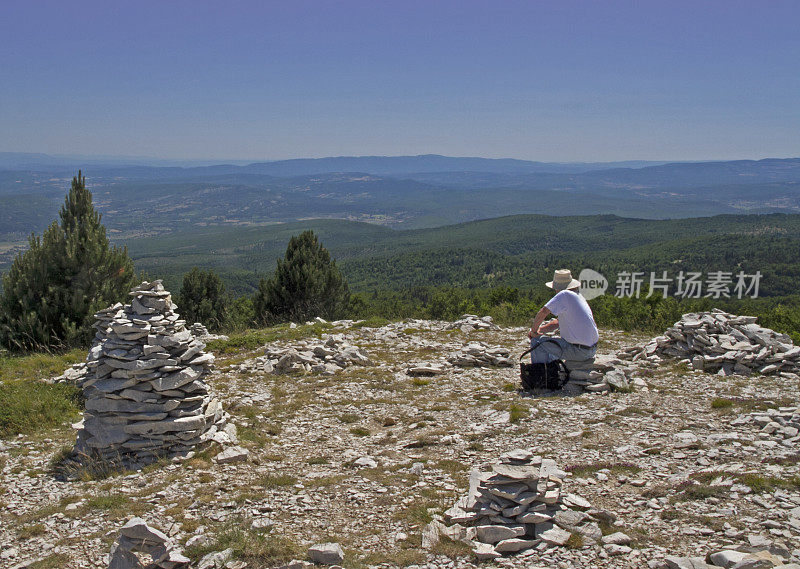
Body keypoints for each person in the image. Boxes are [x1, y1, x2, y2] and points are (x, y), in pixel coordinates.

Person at [527, 269, 599, 366]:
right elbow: (557, 322)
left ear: (558, 287)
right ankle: (552, 369)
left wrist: (533, 332)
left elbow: (543, 312)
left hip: (578, 351)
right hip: (591, 350)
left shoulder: (564, 294)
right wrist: (541, 330)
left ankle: (540, 376)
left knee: (537, 343)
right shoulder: (578, 296)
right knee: (551, 345)